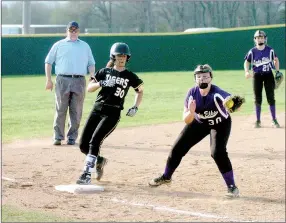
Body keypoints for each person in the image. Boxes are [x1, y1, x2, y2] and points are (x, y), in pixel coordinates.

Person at [148, 64, 245, 197]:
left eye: (205, 76)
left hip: (220, 124)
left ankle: (232, 187)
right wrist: (191, 112)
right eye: (198, 77)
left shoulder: (216, 93)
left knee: (217, 152)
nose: (202, 79)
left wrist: (231, 104)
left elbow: (227, 99)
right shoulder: (192, 94)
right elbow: (186, 120)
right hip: (199, 123)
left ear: (211, 78)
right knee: (177, 149)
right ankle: (166, 177)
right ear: (195, 79)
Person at [76, 42, 144, 185]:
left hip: (112, 113)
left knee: (95, 141)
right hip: (97, 109)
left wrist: (135, 106)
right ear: (113, 56)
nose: (122, 58)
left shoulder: (130, 75)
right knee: (83, 145)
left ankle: (86, 174)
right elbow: (89, 88)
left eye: (124, 55)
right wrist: (101, 84)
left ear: (128, 57)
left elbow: (140, 90)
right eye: (119, 55)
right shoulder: (104, 72)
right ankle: (99, 160)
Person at [45, 21, 96, 146]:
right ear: (67, 31)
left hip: (79, 80)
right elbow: (48, 62)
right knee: (61, 108)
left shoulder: (85, 46)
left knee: (76, 110)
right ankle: (58, 136)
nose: (73, 32)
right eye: (71, 30)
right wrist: (48, 80)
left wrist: (92, 75)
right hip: (62, 79)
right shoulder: (59, 45)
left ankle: (72, 137)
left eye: (75, 30)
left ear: (79, 31)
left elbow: (91, 63)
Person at [244, 30, 283, 128]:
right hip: (257, 76)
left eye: (261, 37)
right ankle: (258, 121)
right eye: (258, 37)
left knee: (271, 97)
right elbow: (247, 62)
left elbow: (276, 60)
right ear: (255, 39)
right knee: (257, 98)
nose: (260, 39)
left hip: (268, 75)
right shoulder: (252, 51)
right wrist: (246, 71)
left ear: (265, 39)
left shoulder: (270, 50)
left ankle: (274, 120)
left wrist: (277, 71)